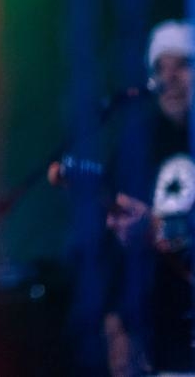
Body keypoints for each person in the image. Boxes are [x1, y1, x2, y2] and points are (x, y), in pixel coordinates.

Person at [103, 19, 193, 375]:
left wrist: (158, 227)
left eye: (182, 65)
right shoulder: (136, 145)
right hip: (162, 344)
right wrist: (116, 324)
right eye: (160, 68)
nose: (169, 78)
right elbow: (111, 244)